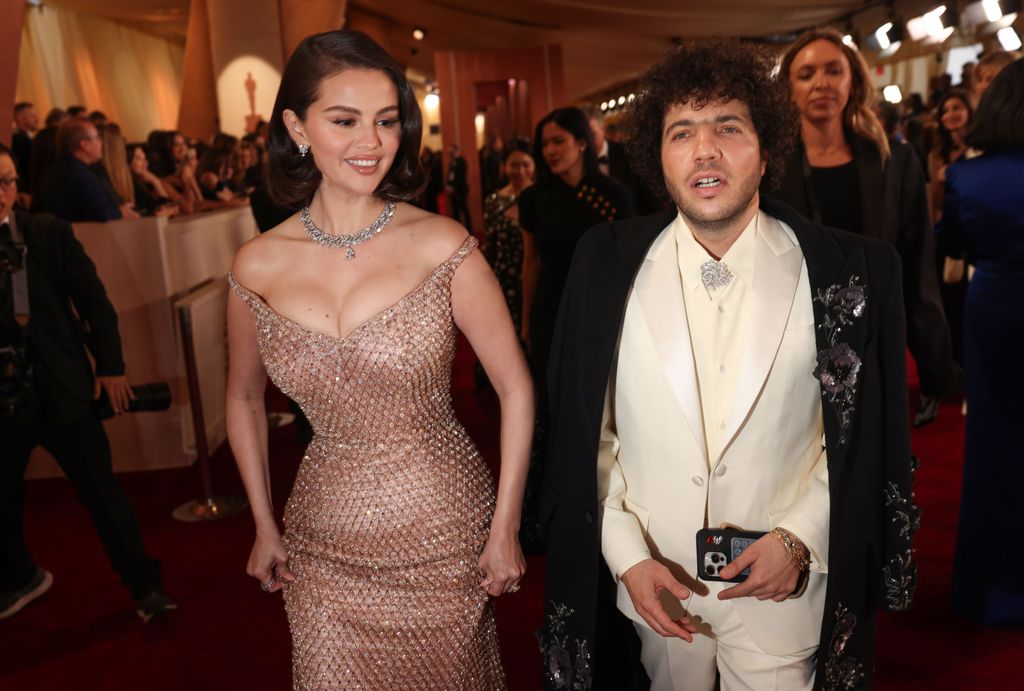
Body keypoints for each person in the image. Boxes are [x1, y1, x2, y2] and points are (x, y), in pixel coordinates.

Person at [539, 39, 918, 690]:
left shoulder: (850, 271)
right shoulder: (603, 265)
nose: (705, 149)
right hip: (655, 593)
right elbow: (585, 438)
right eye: (681, 131)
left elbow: (865, 438)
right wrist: (628, 558)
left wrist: (799, 538)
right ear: (659, 159)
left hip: (783, 595)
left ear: (767, 150)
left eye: (728, 128)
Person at [225, 30, 532, 688]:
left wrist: (506, 525)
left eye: (387, 121)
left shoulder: (442, 244)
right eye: (345, 121)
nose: (371, 143)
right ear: (296, 127)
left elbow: (514, 388)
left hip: (446, 536)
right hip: (322, 547)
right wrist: (261, 520)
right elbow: (243, 397)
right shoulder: (256, 265)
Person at [0, 144, 175, 622]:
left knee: (103, 495)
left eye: (10, 180)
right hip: (5, 403)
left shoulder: (46, 234)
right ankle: (19, 578)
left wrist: (111, 367)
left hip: (64, 393)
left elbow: (96, 304)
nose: (4, 192)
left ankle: (145, 587)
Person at [774, 28, 958, 427]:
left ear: (853, 80)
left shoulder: (895, 161)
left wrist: (934, 366)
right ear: (788, 89)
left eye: (833, 70)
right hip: (792, 340)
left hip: (874, 337)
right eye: (806, 74)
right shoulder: (767, 167)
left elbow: (915, 264)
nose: (821, 83)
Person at [942, 58, 1024, 627]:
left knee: (993, 443)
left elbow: (951, 241)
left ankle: (994, 588)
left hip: (993, 308)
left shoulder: (965, 177)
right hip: (994, 299)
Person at [518, 106, 633, 389]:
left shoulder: (614, 194)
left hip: (599, 309)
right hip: (550, 310)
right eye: (544, 144)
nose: (550, 151)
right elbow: (530, 261)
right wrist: (525, 321)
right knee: (553, 395)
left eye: (559, 141)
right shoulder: (533, 198)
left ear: (581, 142)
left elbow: (628, 262)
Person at [482, 136, 535, 336]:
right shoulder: (494, 201)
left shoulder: (543, 198)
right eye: (514, 165)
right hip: (504, 277)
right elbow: (490, 246)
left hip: (535, 277)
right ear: (504, 167)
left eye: (526, 164)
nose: (521, 171)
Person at [35, 118, 131, 222]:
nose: (101, 143)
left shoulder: (59, 167)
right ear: (85, 145)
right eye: (97, 138)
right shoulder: (80, 175)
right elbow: (102, 214)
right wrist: (121, 213)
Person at [127, 144, 178, 218]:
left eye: (145, 158)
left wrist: (155, 181)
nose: (145, 162)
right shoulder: (133, 186)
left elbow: (169, 207)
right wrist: (155, 181)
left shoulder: (145, 183)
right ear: (128, 162)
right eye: (138, 158)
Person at [445, 141, 472, 231]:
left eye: (452, 152)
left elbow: (461, 177)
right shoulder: (452, 162)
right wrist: (448, 185)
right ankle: (458, 230)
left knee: (464, 210)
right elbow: (450, 175)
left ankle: (469, 229)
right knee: (455, 211)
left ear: (456, 150)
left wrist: (453, 187)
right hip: (453, 191)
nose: (451, 154)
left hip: (460, 191)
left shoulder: (462, 162)